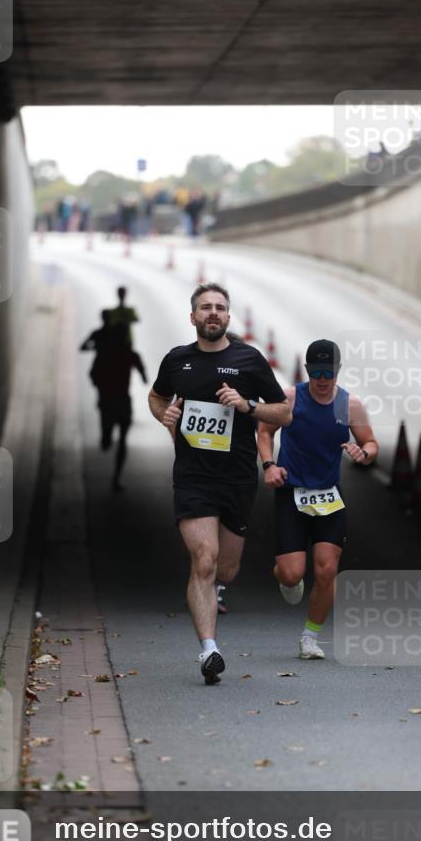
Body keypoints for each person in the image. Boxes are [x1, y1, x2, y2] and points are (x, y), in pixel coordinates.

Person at [148, 283, 291, 685]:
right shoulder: (177, 361)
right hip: (193, 477)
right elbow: (156, 397)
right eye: (205, 307)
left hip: (237, 479)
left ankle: (216, 591)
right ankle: (209, 650)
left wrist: (247, 406)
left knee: (226, 568)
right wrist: (167, 417)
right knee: (205, 559)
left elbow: (284, 413)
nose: (213, 313)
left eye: (220, 308)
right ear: (192, 316)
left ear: (228, 317)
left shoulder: (249, 359)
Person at [257, 339, 378, 660]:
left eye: (329, 372)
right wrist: (269, 465)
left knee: (326, 570)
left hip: (328, 497)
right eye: (317, 372)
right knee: (292, 573)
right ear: (308, 371)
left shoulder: (349, 405)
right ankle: (282, 574)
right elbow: (265, 430)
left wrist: (362, 453)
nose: (323, 380)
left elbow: (371, 443)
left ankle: (310, 638)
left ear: (338, 372)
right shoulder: (290, 398)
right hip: (291, 493)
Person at [81, 315, 147, 492]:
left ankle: (115, 475)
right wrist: (143, 377)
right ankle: (116, 478)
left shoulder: (105, 353)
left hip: (107, 400)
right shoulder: (129, 353)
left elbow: (92, 374)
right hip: (122, 400)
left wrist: (100, 386)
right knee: (121, 440)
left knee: (109, 440)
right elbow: (142, 371)